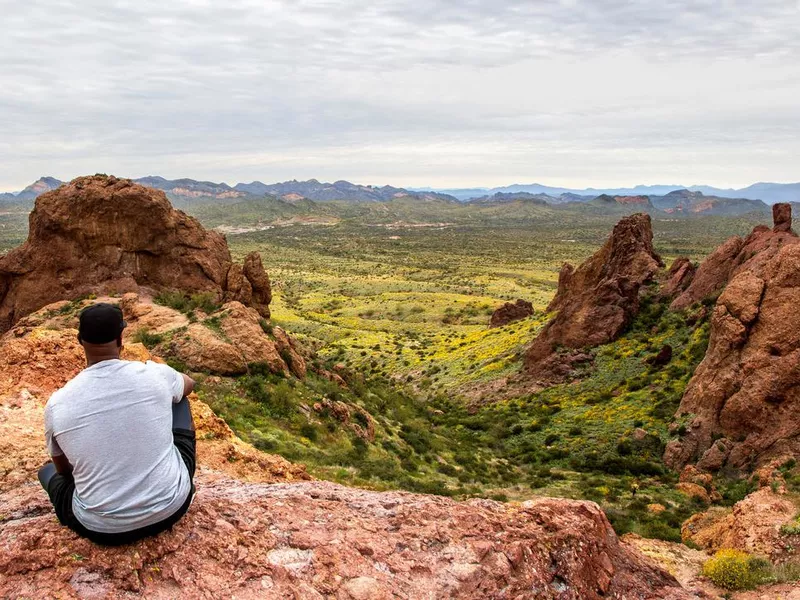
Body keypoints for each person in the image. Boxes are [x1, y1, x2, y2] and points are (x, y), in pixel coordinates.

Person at [37, 302, 197, 545]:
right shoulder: (154, 374)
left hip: (101, 530)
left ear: (80, 340)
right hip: (173, 506)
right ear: (121, 339)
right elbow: (189, 383)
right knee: (179, 399)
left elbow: (64, 471)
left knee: (46, 472)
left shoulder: (57, 404)